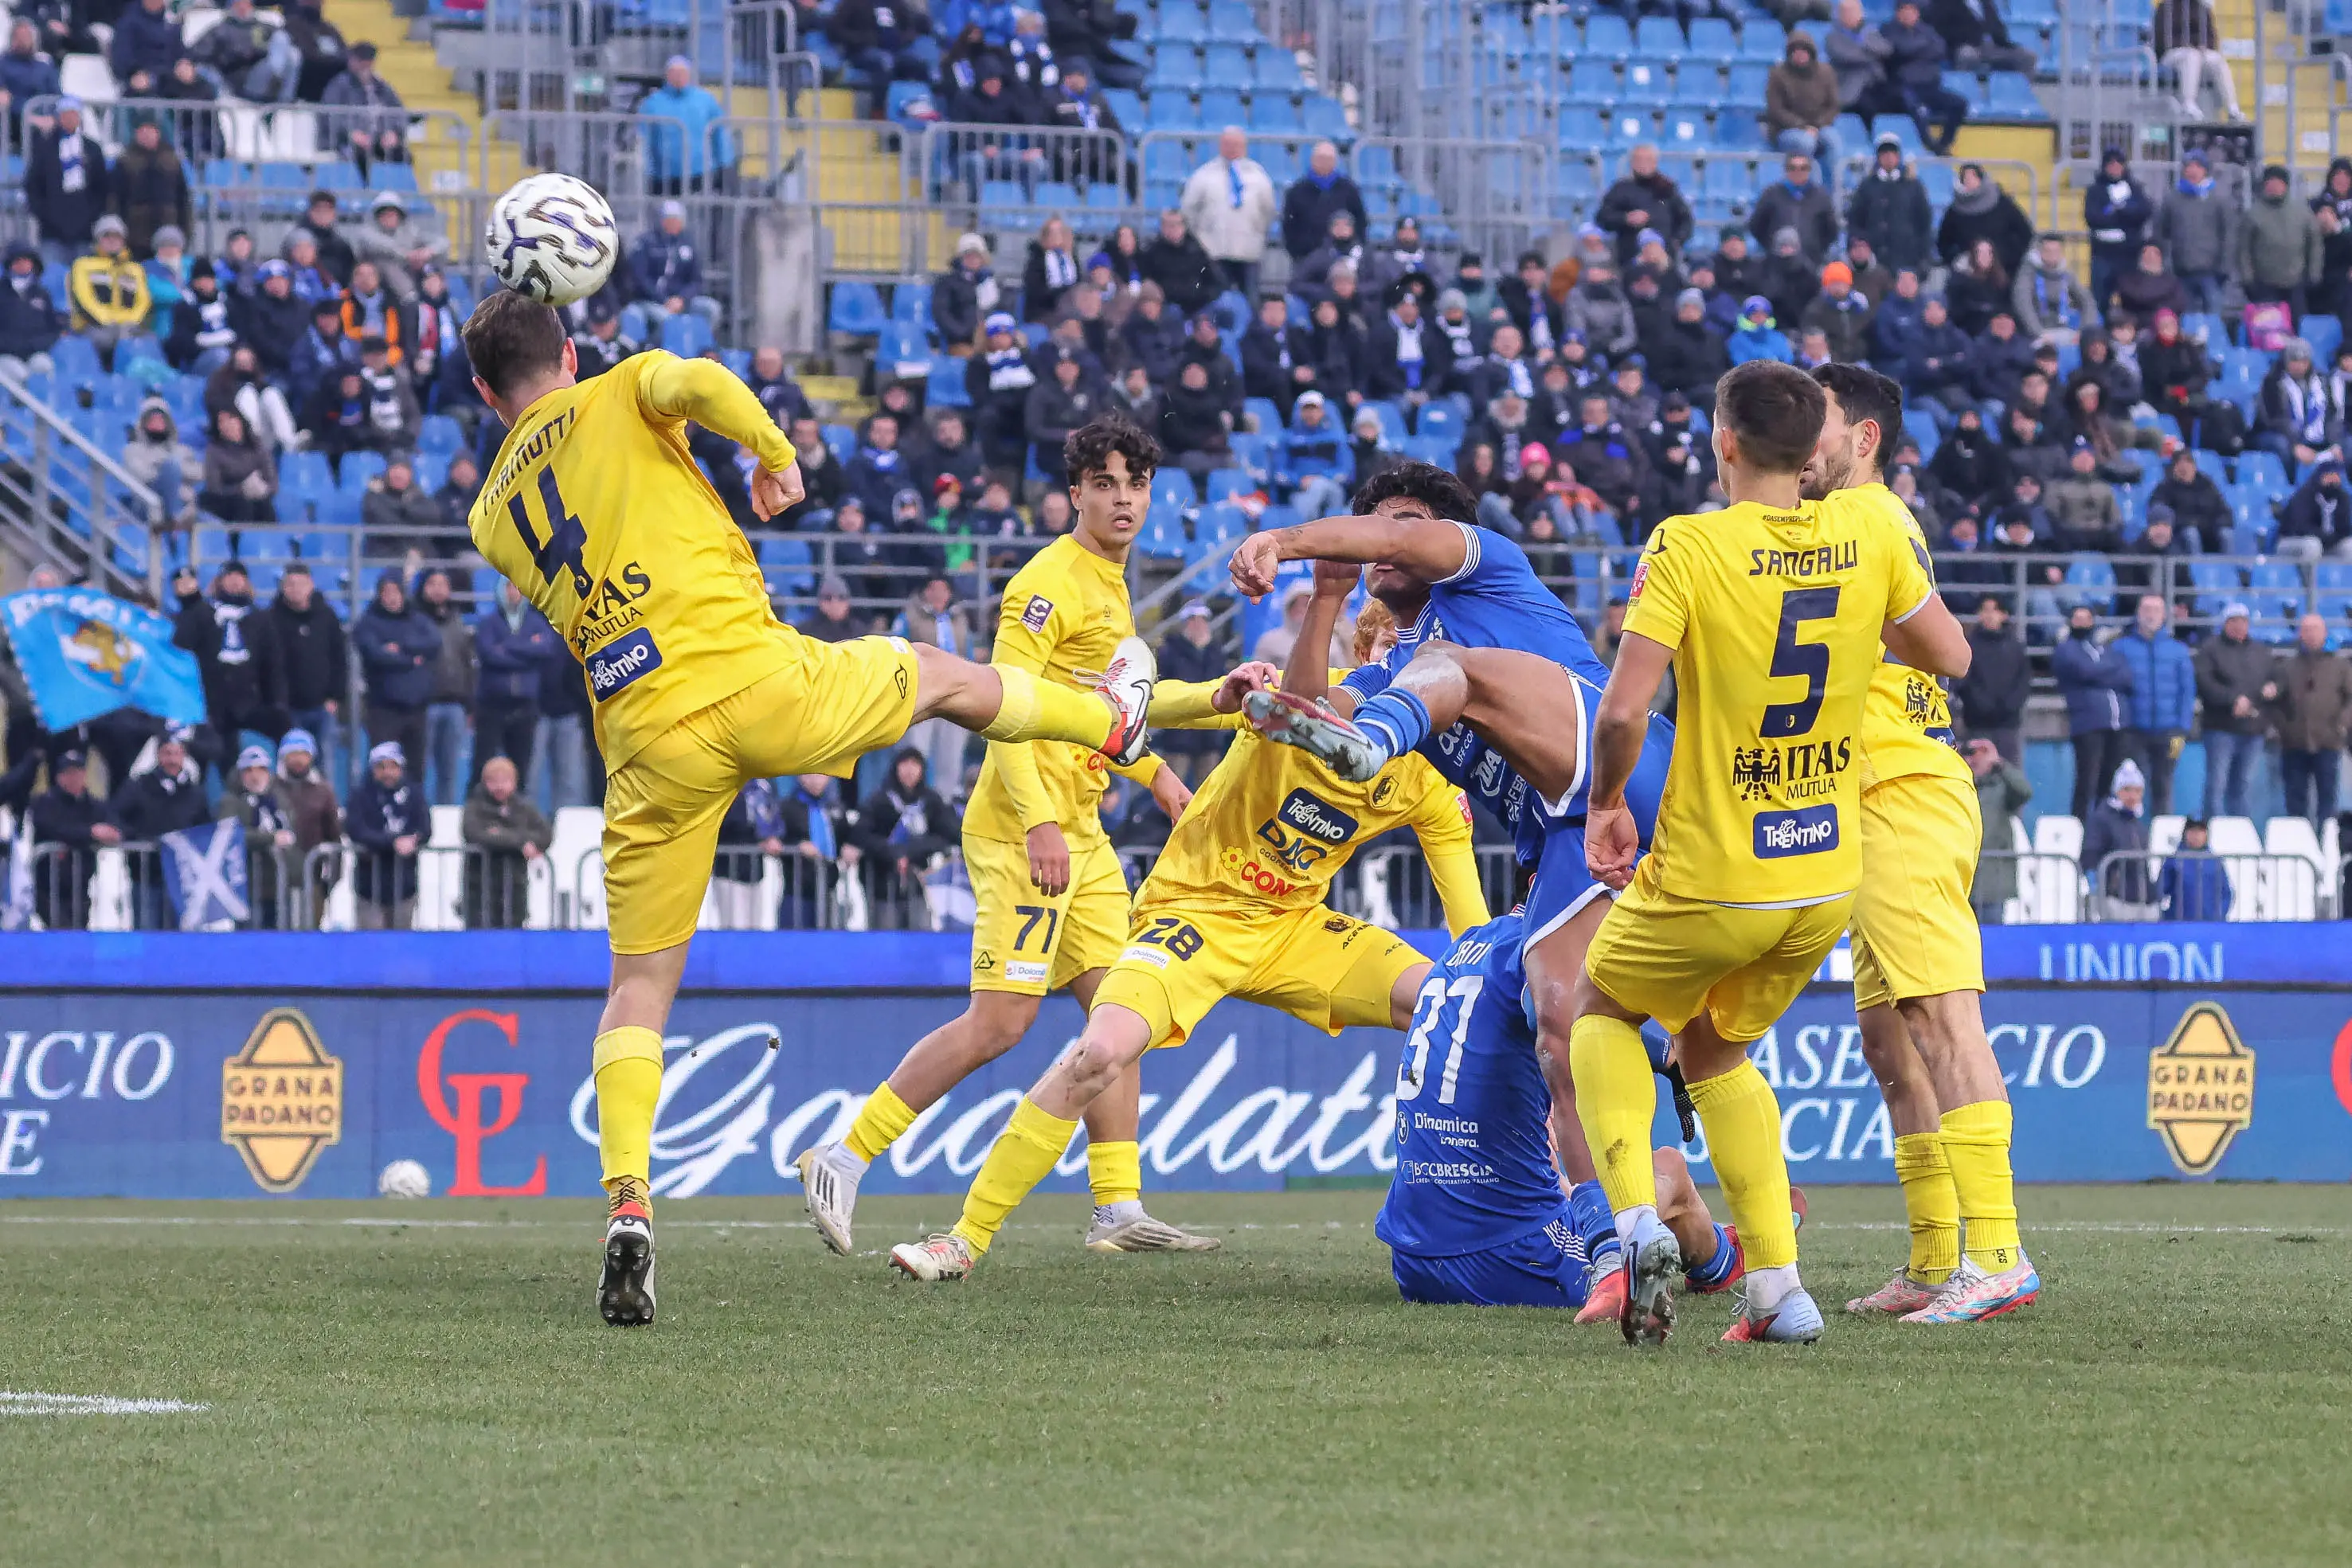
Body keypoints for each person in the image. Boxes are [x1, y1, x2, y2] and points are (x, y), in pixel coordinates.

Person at [457, 291, 1156, 1323]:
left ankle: (628, 1204)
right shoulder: (620, 386)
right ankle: (1105, 723)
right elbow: (696, 381)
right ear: (569, 349)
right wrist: (775, 453)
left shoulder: (485, 518)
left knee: (639, 984)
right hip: (748, 678)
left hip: (643, 741)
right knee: (939, 676)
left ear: (481, 394)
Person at [1211, 461, 1680, 1311]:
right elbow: (1319, 720)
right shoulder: (1396, 660)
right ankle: (1631, 1248)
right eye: (1372, 525)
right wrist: (1322, 595)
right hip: (1569, 837)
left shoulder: (1485, 562)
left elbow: (1394, 547)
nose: (1383, 539)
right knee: (1565, 1036)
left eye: (1401, 521)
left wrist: (1279, 541)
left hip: (1619, 761)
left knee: (1443, 668)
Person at [1572, 359, 1968, 1345]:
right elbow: (1950, 657)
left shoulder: (1687, 544)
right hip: (1824, 875)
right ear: (1814, 452)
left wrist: (1607, 803)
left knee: (1598, 1008)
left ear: (1725, 444)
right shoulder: (1870, 531)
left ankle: (1629, 1223)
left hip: (1716, 870)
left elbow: (1624, 708)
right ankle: (1778, 1293)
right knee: (1713, 1047)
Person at [883, 650, 1493, 1282]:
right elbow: (1161, 706)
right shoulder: (1309, 700)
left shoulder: (1431, 779)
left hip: (1291, 928)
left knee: (1453, 1005)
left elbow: (1469, 927)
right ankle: (963, 1239)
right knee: (1096, 1053)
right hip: (1193, 913)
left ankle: (1544, 1216)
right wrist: (1224, 690)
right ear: (1375, 660)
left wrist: (1491, 985)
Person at [797, 415, 1194, 1257]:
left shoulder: (1113, 583)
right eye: (1106, 483)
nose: (1124, 498)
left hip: (1079, 827)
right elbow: (1000, 702)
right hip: (1026, 833)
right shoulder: (1046, 582)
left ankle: (1117, 1207)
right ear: (1075, 492)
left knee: (1117, 1011)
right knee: (1000, 1024)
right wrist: (1040, 821)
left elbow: (1096, 717)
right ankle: (842, 1153)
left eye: (1137, 484)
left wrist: (1155, 775)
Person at [1801, 365, 2037, 1322]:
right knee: (1889, 1042)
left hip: (1900, 785)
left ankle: (1999, 1250)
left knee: (1941, 1017)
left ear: (1862, 437)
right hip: (1861, 794)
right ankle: (1937, 1260)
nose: (1799, 444)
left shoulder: (1868, 517)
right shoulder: (1850, 521)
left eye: (1813, 425)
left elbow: (1949, 651)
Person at [1376, 906, 1759, 1309]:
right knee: (1669, 1170)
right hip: (1510, 1261)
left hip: (1412, 1260)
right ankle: (1721, 1261)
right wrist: (1667, 1054)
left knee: (1554, 1168)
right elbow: (1560, 1013)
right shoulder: (1543, 951)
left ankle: (1715, 1249)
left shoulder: (1462, 950)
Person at [112, 728, 210, 929]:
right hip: (146, 874)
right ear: (158, 755)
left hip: (182, 878)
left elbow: (206, 828)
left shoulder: (195, 793)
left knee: (180, 938)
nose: (172, 760)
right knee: (147, 932)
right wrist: (137, 838)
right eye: (167, 753)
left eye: (177, 753)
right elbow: (115, 815)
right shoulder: (139, 786)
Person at [2111, 592, 2196, 815]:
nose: (2151, 615)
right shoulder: (2121, 648)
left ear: (2164, 615)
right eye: (2146, 610)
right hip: (2133, 732)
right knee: (2129, 787)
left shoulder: (2178, 650)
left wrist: (2182, 731)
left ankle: (2161, 837)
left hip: (2170, 733)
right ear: (2138, 613)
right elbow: (2114, 689)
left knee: (2164, 786)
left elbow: (2187, 693)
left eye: (2156, 610)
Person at [2052, 602, 2131, 819]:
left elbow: (2126, 675)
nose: (2082, 623)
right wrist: (2106, 674)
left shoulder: (2105, 649)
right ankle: (2081, 826)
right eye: (2077, 618)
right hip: (2088, 724)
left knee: (2111, 780)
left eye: (2086, 618)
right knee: (2087, 779)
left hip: (2117, 724)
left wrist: (2099, 675)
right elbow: (2083, 671)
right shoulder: (2065, 649)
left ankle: (2105, 825)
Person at [2271, 611, 2352, 824]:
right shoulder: (2287, 666)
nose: (2311, 634)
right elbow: (2276, 701)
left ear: (2325, 633)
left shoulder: (2341, 666)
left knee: (2328, 800)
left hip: (2328, 743)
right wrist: (2283, 727)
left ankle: (2326, 844)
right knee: (2295, 801)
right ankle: (2299, 845)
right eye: (2306, 630)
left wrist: (2342, 724)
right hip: (2294, 743)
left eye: (2315, 630)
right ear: (2300, 634)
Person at [473, 580, 555, 790]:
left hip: (525, 706)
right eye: (509, 586)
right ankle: (477, 812)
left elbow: (545, 650)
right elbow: (490, 655)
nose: (514, 592)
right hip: (492, 705)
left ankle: (517, 816)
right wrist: (527, 648)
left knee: (521, 768)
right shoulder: (489, 622)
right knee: (482, 764)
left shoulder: (537, 622)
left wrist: (507, 646)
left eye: (518, 587)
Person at [1179, 127, 1278, 299]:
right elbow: (1189, 210)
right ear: (1220, 145)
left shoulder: (1259, 176)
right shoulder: (1204, 175)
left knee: (1250, 299)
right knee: (1218, 299)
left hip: (1249, 252)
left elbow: (1268, 211)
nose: (1232, 148)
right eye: (1228, 144)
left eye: (1237, 144)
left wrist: (1257, 232)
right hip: (1213, 251)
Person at [2194, 601, 2272, 817]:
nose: (2239, 626)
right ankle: (2213, 832)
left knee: (2243, 786)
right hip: (2221, 728)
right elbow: (2205, 683)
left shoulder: (2260, 651)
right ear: (2225, 624)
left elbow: (2274, 678)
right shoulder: (2210, 649)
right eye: (2234, 621)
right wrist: (2232, 700)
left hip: (2253, 729)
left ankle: (2240, 837)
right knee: (2216, 785)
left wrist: (2274, 688)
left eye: (2243, 621)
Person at [29, 749, 119, 930]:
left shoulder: (93, 804)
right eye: (68, 773)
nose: (73, 778)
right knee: (60, 930)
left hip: (81, 885)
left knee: (78, 931)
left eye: (78, 772)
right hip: (50, 886)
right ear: (58, 777)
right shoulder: (45, 802)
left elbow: (116, 824)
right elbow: (52, 828)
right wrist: (90, 833)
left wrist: (114, 833)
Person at [460, 753, 550, 929]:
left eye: (505, 781)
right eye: (494, 781)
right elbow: (473, 834)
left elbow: (546, 834)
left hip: (514, 889)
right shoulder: (474, 806)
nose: (500, 786)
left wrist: (499, 833)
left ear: (514, 782)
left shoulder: (523, 807)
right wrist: (521, 842)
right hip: (480, 890)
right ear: (485, 782)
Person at [215, 743, 298, 929]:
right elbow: (230, 834)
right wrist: (270, 839)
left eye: (261, 770)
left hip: (278, 885)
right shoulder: (231, 801)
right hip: (246, 887)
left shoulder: (278, 801)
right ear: (240, 774)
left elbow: (290, 831)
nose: (255, 776)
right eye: (249, 771)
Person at [347, 739, 424, 929]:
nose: (388, 772)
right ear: (373, 769)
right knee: (371, 948)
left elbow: (425, 827)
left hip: (405, 887)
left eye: (393, 767)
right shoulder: (360, 795)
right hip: (369, 888)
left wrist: (415, 839)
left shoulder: (414, 793)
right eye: (381, 767)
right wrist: (393, 842)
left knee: (400, 948)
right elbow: (356, 830)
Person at [26, 96, 110, 266]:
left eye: (74, 114)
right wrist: (44, 215)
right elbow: (33, 185)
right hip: (52, 231)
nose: (70, 119)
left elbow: (101, 187)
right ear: (59, 118)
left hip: (84, 230)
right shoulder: (44, 148)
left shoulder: (92, 149)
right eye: (66, 115)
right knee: (53, 278)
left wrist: (91, 215)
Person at [2150, 151, 2237, 315]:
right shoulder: (2173, 199)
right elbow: (2161, 231)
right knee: (2185, 316)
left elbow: (2229, 234)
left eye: (2197, 166)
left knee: (2214, 316)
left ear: (2205, 170)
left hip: (2212, 272)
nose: (2192, 170)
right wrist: (2168, 261)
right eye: (2188, 166)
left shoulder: (2219, 198)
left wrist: (2224, 268)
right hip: (2181, 271)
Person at [638, 54, 734, 196]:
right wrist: (647, 169)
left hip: (700, 172)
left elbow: (719, 131)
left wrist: (724, 162)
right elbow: (643, 138)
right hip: (664, 176)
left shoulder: (705, 100)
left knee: (700, 213)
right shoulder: (652, 103)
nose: (678, 77)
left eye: (682, 73)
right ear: (667, 75)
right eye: (674, 73)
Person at [1880, 0, 1967, 154]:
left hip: (1930, 86)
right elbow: (1901, 49)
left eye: (1912, 10)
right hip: (1905, 86)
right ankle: (1928, 143)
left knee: (1959, 104)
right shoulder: (1888, 30)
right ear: (1898, 13)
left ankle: (1944, 143)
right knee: (1914, 106)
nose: (1909, 14)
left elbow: (1940, 49)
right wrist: (1922, 48)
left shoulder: (1927, 30)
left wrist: (1914, 50)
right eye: (1905, 10)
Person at [2243, 164, 2323, 323]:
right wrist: (2248, 278)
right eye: (2270, 182)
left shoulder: (2302, 213)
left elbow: (2314, 245)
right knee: (2268, 327)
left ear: (2286, 185)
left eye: (2278, 183)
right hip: (2265, 283)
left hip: (2295, 283)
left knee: (2297, 324)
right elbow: (2244, 250)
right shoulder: (2253, 214)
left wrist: (2314, 273)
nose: (2274, 187)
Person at [1966, 734, 2031, 921]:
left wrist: (1999, 763)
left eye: (1979, 753)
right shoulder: (1959, 786)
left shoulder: (2000, 786)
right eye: (1968, 753)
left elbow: (2025, 792)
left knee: (1990, 939)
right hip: (1962, 880)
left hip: (1992, 883)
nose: (1973, 759)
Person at [2081, 757, 2157, 919]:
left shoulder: (2138, 825)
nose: (2132, 796)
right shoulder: (2101, 819)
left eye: (2137, 791)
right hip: (2115, 900)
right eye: (2127, 790)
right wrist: (2100, 889)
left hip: (2141, 901)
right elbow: (2090, 855)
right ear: (2117, 791)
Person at [2254, 338, 2338, 479]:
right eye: (2295, 361)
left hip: (2314, 436)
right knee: (2282, 445)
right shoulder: (2272, 382)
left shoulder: (2323, 382)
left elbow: (2331, 414)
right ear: (2286, 360)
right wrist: (2295, 446)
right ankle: (2288, 484)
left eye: (2304, 361)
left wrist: (2335, 442)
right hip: (2277, 434)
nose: (2300, 366)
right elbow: (2273, 420)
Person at [1599, 145, 1693, 269]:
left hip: (1665, 259)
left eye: (1648, 160)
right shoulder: (1621, 189)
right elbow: (1602, 217)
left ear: (1655, 162)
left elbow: (1685, 219)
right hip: (1631, 259)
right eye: (1639, 160)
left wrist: (1676, 242)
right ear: (1632, 163)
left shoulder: (1667, 188)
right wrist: (1626, 218)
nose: (1643, 164)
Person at [322, 41, 407, 174]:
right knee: (359, 155)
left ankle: (395, 191)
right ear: (352, 60)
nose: (365, 65)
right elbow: (329, 114)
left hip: (377, 139)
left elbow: (398, 111)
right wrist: (351, 133)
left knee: (400, 154)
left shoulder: (381, 86)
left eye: (369, 60)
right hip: (346, 142)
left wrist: (394, 132)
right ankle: (364, 191)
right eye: (362, 60)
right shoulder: (339, 85)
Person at [1936, 162, 2035, 276]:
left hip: (2004, 272)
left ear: (1981, 178)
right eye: (1966, 178)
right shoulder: (1955, 211)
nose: (1970, 181)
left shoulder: (2002, 203)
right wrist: (1958, 259)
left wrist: (2006, 258)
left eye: (1973, 176)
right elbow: (1943, 243)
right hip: (1968, 274)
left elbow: (2025, 233)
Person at [2154, 0, 2245, 121]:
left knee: (2217, 60)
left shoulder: (2203, 9)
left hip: (2198, 51)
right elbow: (2162, 39)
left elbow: (2212, 39)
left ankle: (2232, 109)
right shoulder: (2165, 7)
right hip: (2171, 53)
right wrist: (2187, 45)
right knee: (2191, 56)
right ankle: (2188, 104)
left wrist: (2202, 46)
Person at [1766, 33, 1843, 171]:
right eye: (1796, 51)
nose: (1800, 55)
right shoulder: (1778, 75)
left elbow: (1833, 106)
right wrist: (1801, 126)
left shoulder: (1826, 73)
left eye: (1804, 51)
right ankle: (1809, 187)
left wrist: (1817, 125)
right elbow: (1776, 110)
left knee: (1834, 140)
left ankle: (1835, 189)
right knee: (1806, 143)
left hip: (1820, 126)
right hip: (1787, 130)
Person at [1281, 141, 1366, 265]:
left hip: (1343, 260)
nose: (1324, 162)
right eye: (1320, 158)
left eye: (1329, 159)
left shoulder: (1349, 190)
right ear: (1312, 160)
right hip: (1306, 258)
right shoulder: (1297, 191)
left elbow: (1360, 222)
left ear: (1335, 161)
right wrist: (1298, 254)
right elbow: (1289, 227)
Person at [1750, 152, 1839, 266]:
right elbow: (1756, 226)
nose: (1798, 172)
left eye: (1803, 168)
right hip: (1777, 265)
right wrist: (1772, 246)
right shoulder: (1771, 194)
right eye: (1793, 168)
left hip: (1812, 263)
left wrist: (1817, 249)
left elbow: (1831, 230)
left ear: (1809, 171)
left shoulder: (1821, 196)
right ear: (1786, 170)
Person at [2157, 817, 2233, 919]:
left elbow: (2226, 893)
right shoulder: (2174, 860)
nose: (2196, 835)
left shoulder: (2215, 861)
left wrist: (2219, 915)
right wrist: (2168, 917)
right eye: (2192, 830)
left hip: (2210, 925)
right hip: (2180, 925)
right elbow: (2159, 891)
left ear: (2206, 834)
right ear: (2185, 833)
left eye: (2200, 831)